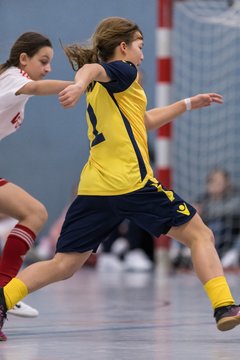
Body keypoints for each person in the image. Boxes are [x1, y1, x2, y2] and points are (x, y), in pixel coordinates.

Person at [0, 17, 239, 341]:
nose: (142, 53)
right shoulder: (122, 71)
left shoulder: (115, 88)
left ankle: (3, 300)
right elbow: (92, 70)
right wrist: (80, 82)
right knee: (200, 235)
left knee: (63, 264)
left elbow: (142, 121)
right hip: (132, 183)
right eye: (140, 45)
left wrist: (186, 104)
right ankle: (224, 306)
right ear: (124, 47)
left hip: (95, 189)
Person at [0, 31, 73, 336]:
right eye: (44, 61)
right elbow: (39, 86)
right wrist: (80, 83)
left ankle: (4, 292)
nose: (48, 68)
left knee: (35, 213)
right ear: (24, 59)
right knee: (35, 213)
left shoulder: (13, 82)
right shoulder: (14, 78)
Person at [195, 168, 240, 268]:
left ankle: (230, 255)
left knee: (217, 224)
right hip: (206, 234)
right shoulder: (203, 198)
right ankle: (181, 252)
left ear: (226, 183)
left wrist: (203, 212)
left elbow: (231, 210)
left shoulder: (234, 197)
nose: (215, 184)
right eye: (212, 181)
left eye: (219, 182)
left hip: (228, 237)